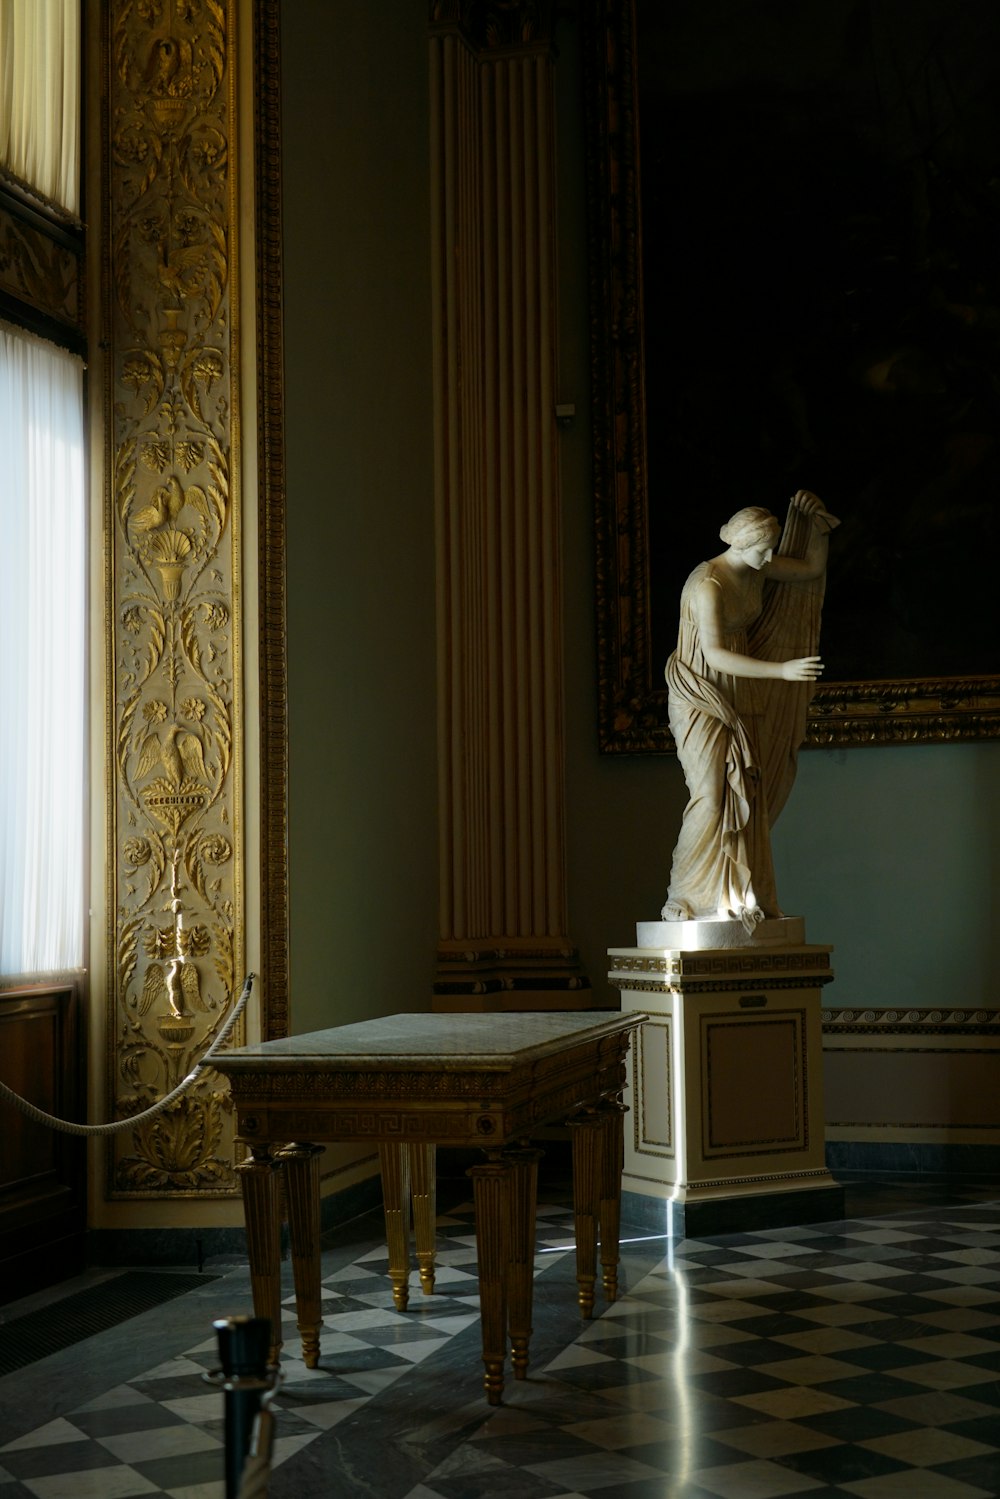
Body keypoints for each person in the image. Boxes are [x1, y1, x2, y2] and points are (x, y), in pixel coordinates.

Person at [661, 489, 838, 933]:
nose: (768, 559)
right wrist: (782, 670)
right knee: (710, 794)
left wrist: (817, 526)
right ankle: (681, 896)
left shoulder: (756, 565)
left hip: (740, 689)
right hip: (701, 690)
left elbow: (812, 569)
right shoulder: (709, 584)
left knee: (745, 792)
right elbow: (715, 654)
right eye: (761, 550)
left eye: (770, 550)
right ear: (738, 545)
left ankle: (734, 893)